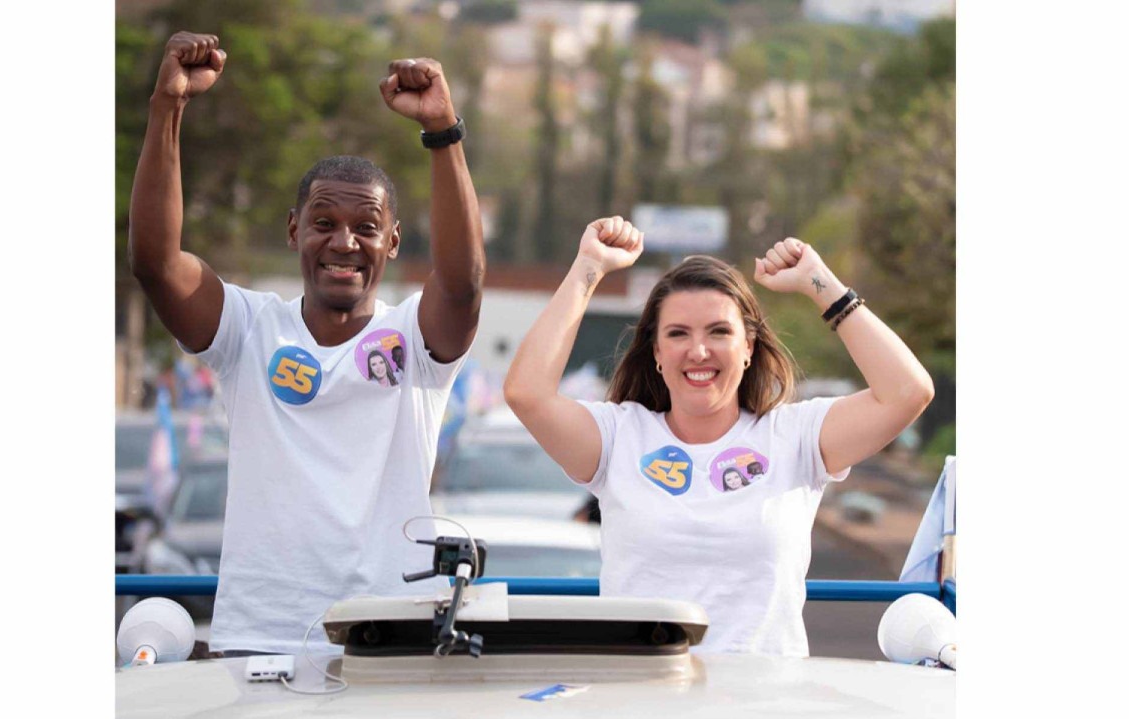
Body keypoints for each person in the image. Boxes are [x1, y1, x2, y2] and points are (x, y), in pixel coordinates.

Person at [128, 32, 484, 655]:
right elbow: (156, 264)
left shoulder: (415, 340)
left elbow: (463, 283)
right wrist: (167, 107)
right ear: (295, 231)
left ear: (393, 242)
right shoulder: (246, 329)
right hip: (261, 639)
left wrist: (443, 133)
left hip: (388, 637)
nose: (345, 242)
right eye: (325, 223)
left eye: (367, 228)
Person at [503, 217, 933, 656]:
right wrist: (588, 268)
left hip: (764, 704)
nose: (699, 350)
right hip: (641, 700)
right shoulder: (617, 436)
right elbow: (527, 393)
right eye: (678, 334)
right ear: (656, 352)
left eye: (719, 331)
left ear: (749, 347)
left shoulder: (795, 435)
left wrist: (820, 285)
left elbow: (908, 392)